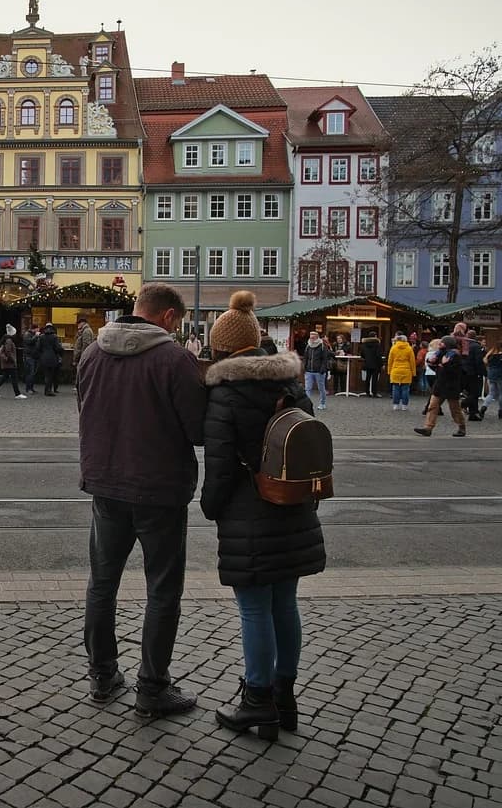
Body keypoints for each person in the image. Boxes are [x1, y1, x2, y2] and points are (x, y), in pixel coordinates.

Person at [201, 291, 325, 741]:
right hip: (293, 506)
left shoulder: (225, 395)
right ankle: (284, 697)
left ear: (222, 346)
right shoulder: (290, 386)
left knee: (254, 608)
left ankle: (257, 700)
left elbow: (217, 468)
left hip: (248, 512)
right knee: (284, 604)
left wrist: (210, 507)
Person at [78, 282, 206, 718]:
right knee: (163, 590)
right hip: (159, 489)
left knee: (102, 583)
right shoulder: (175, 359)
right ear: (169, 317)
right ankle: (151, 687)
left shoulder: (92, 353)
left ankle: (101, 674)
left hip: (106, 484)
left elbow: (85, 409)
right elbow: (199, 430)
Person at [415, 335, 466, 437]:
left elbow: (455, 372)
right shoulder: (440, 353)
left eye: (442, 343)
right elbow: (436, 368)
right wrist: (431, 363)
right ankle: (428, 428)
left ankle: (461, 427)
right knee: (432, 406)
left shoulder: (455, 356)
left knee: (455, 409)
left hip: (451, 386)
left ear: (447, 344)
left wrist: (444, 365)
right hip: (440, 384)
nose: (440, 344)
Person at [0, 324, 27, 399]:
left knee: (5, 377)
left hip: (6, 363)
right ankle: (17, 393)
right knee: (14, 378)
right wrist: (12, 360)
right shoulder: (9, 340)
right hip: (10, 363)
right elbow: (8, 351)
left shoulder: (6, 339)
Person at [302, 331, 331, 410]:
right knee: (308, 388)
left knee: (321, 388)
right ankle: (306, 405)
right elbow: (306, 357)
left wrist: (322, 368)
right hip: (309, 370)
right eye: (311, 337)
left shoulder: (322, 346)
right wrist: (304, 366)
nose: (311, 339)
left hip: (319, 371)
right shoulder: (308, 346)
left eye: (313, 337)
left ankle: (322, 403)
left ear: (317, 337)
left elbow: (325, 359)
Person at [462, 330, 487, 421]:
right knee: (475, 393)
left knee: (472, 393)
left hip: (466, 372)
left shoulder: (466, 346)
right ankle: (464, 403)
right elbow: (479, 362)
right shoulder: (476, 347)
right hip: (474, 373)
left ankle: (473, 414)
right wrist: (483, 373)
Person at [387, 333, 416, 410]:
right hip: (406, 371)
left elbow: (390, 361)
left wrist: (389, 371)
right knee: (405, 389)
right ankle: (404, 405)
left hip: (395, 370)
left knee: (395, 388)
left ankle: (395, 405)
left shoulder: (393, 348)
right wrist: (413, 372)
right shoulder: (409, 348)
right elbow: (412, 361)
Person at [482, 342, 502, 416]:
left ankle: (483, 407)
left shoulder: (489, 355)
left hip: (491, 375)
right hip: (500, 376)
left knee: (491, 393)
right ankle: (501, 411)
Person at [38, 324, 66, 396]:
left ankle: (47, 390)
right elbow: (57, 348)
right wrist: (61, 352)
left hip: (43, 358)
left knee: (46, 374)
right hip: (52, 358)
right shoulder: (54, 337)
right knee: (50, 375)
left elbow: (38, 347)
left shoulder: (41, 337)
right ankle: (48, 391)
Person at [23, 324, 41, 394]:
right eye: (38, 329)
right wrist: (36, 336)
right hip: (29, 356)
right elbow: (29, 342)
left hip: (34, 356)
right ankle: (28, 388)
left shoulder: (33, 334)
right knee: (30, 373)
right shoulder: (27, 334)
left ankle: (31, 388)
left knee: (33, 373)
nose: (38, 330)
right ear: (35, 329)